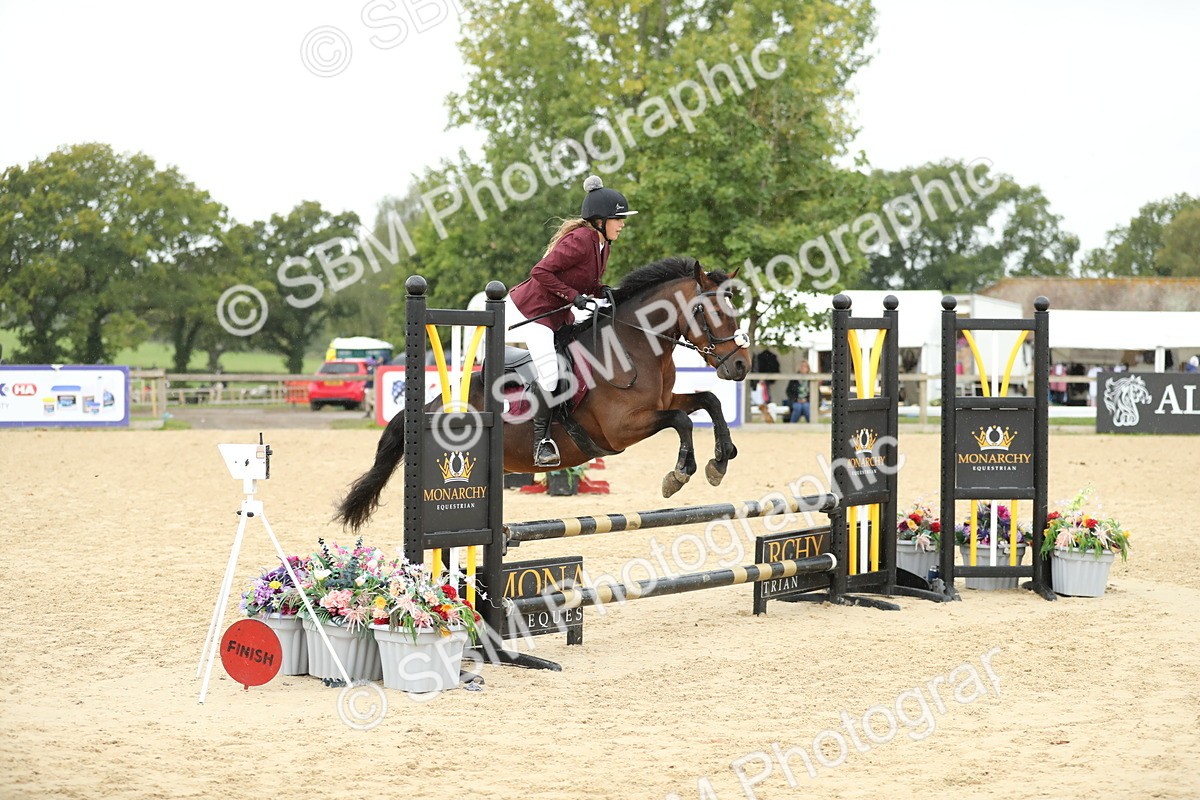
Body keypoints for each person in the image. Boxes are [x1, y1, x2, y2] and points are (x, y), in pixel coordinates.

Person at [506, 175, 637, 467]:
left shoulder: (603, 245)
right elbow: (540, 272)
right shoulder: (579, 240)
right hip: (532, 313)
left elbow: (588, 281)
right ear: (601, 220)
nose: (622, 224)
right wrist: (574, 296)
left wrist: (605, 292)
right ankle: (541, 442)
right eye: (619, 219)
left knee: (579, 359)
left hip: (557, 314)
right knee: (551, 374)